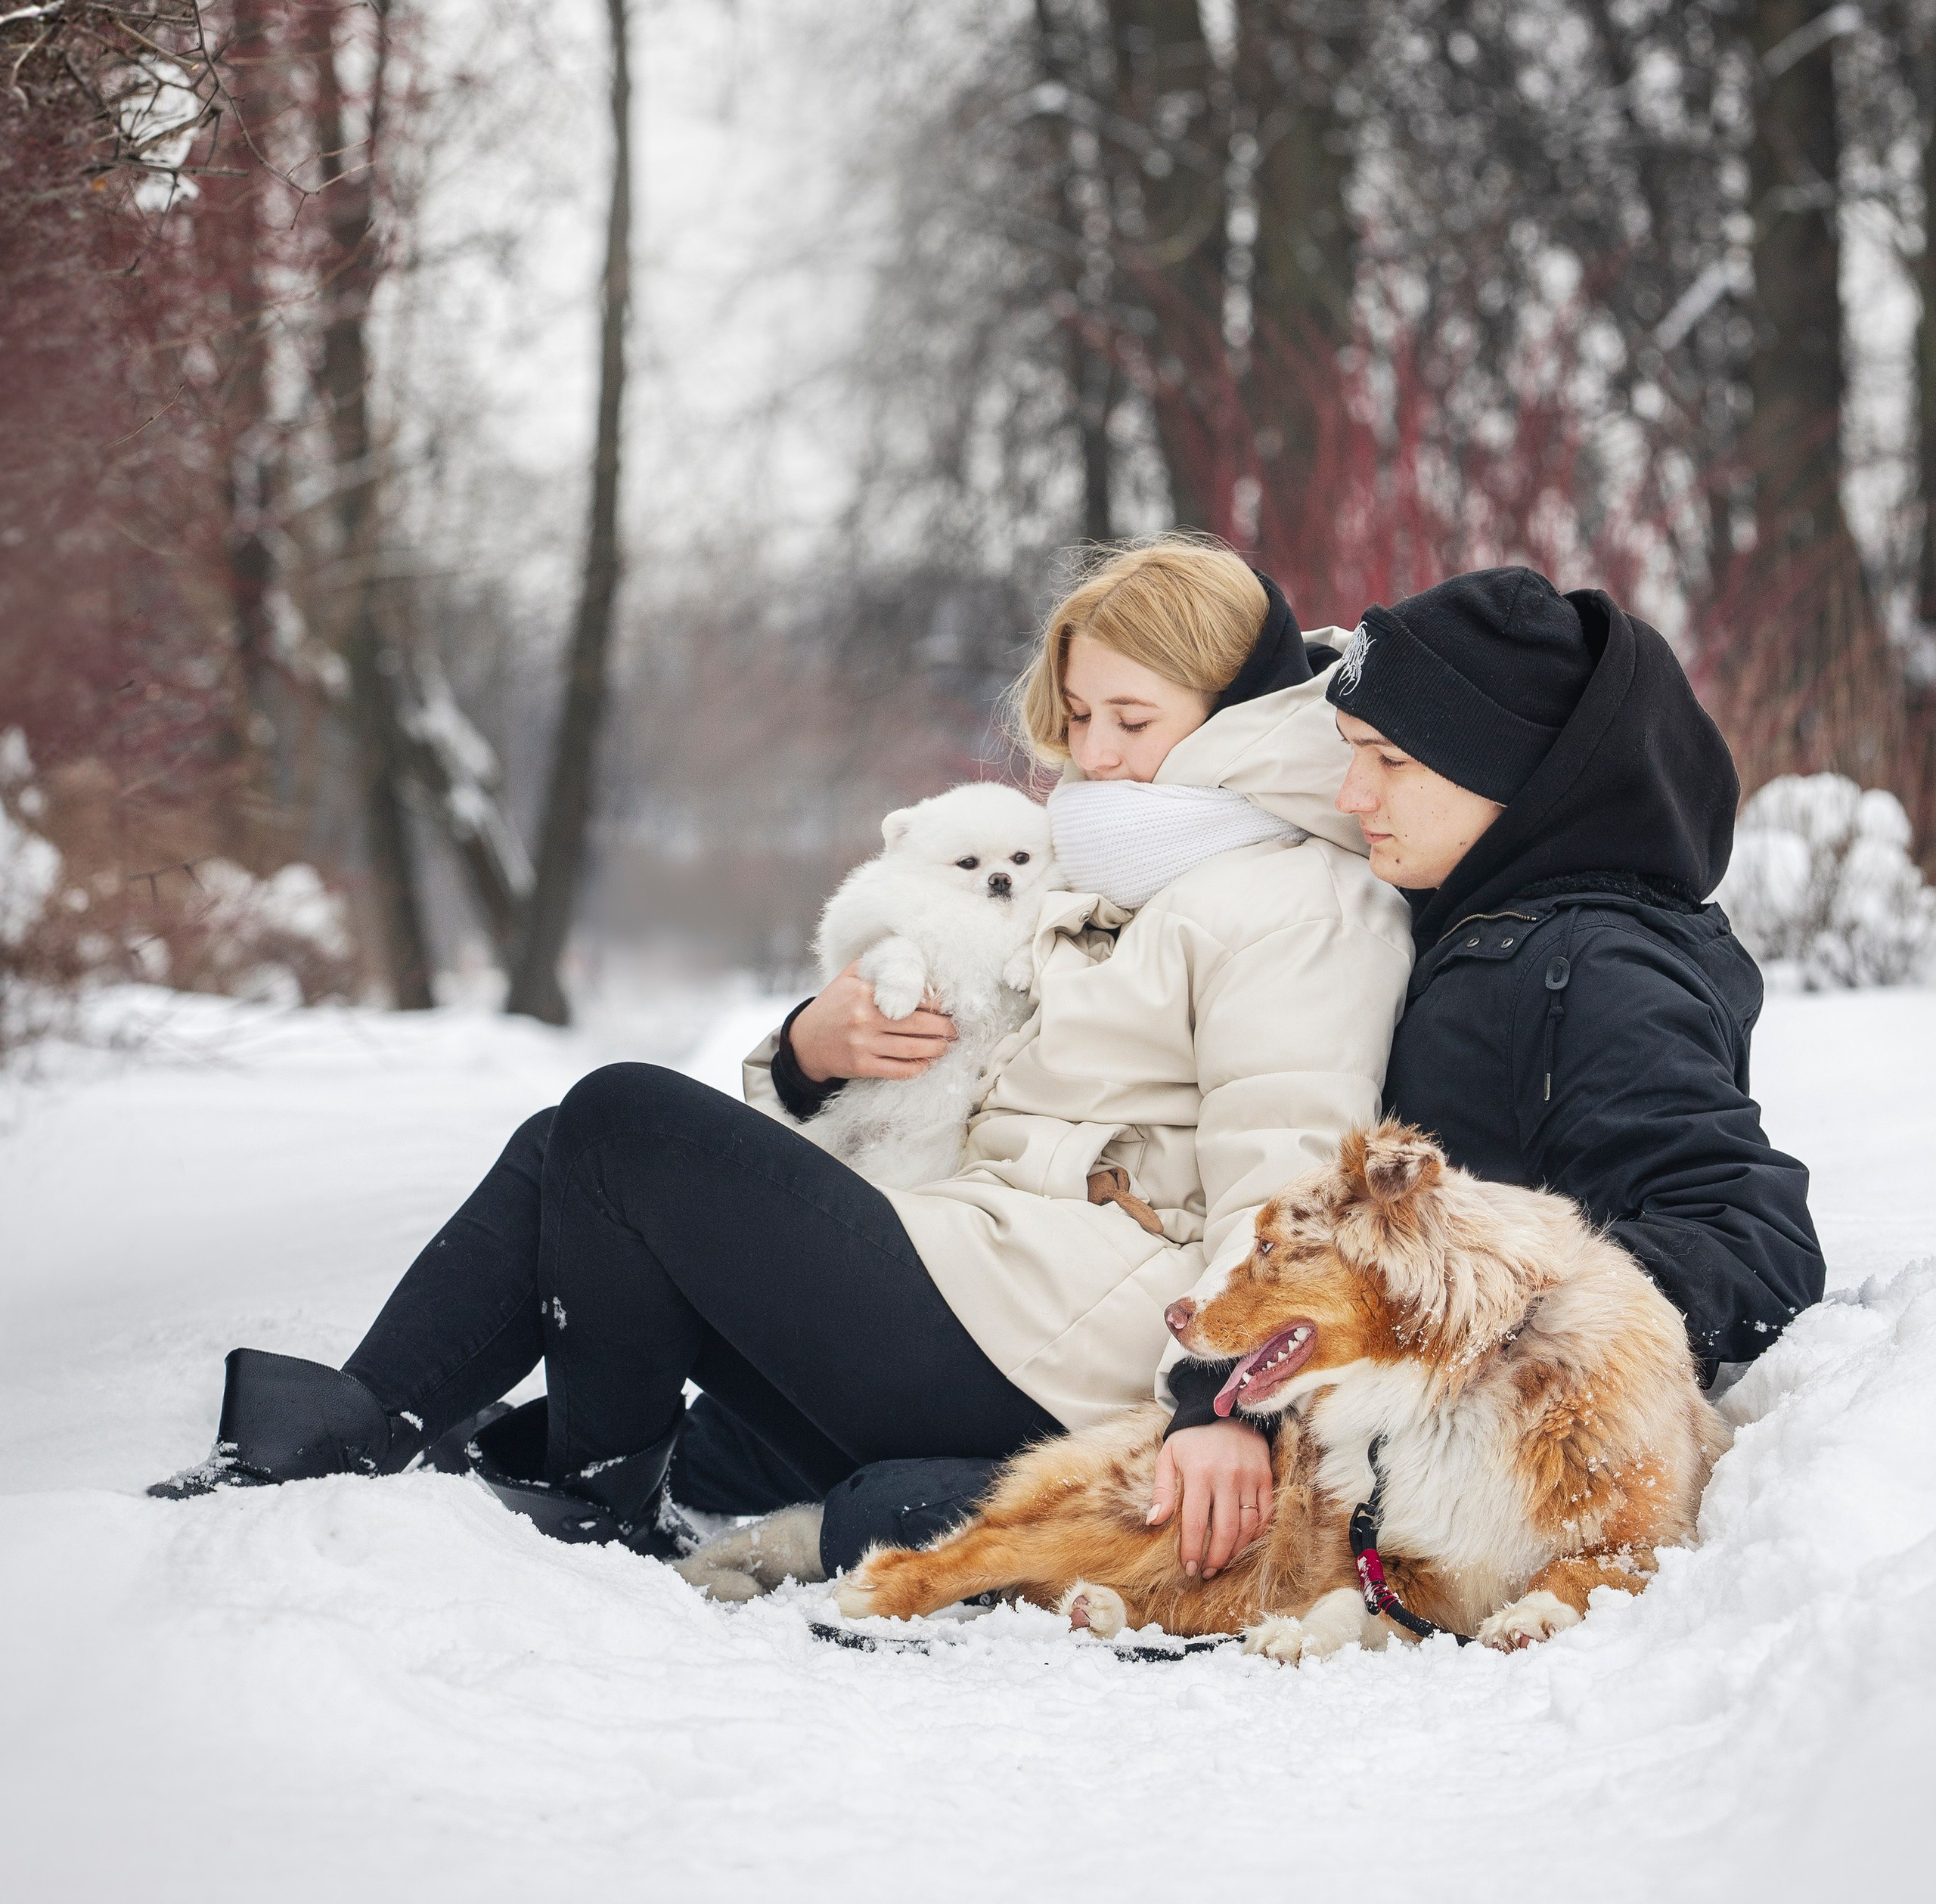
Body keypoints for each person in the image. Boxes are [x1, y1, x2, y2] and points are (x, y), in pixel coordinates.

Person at [151, 538, 1412, 1592]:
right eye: (1079, 719)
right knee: (569, 1155)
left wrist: (1223, 1408)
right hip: (971, 1272)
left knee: (616, 1124)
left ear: (1236, 716)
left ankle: (585, 1499)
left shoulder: (1294, 899)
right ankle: (364, 1442)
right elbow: (932, 1047)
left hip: (1059, 1343)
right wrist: (812, 1056)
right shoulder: (1110, 858)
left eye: (1135, 720)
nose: (1096, 754)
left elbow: (1296, 1180)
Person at [1333, 566, 1823, 1379]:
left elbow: (1748, 1241)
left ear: (1513, 778)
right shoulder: (1467, 922)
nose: (1351, 794)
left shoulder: (1587, 969)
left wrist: (1481, 1322)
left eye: (1388, 760)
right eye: (1349, 751)